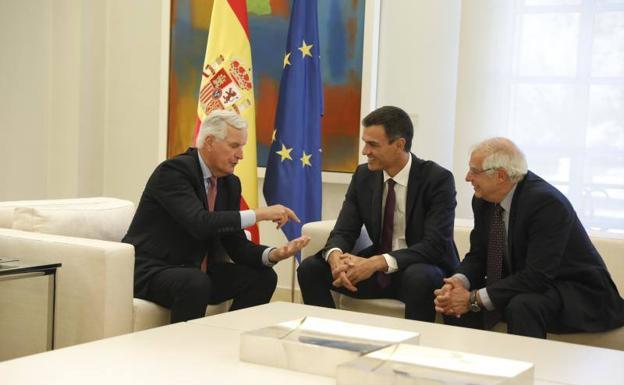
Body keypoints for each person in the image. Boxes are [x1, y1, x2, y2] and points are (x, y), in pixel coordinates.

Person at [123, 109, 309, 323]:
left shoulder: (230, 183)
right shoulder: (174, 172)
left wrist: (273, 254)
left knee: (262, 277)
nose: (241, 155)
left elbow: (236, 245)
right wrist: (259, 214)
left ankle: (229, 339)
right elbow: (199, 223)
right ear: (210, 142)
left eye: (242, 147)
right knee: (195, 282)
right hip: (153, 269)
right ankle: (180, 352)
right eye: (234, 146)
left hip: (195, 271)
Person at [434, 137, 624, 338]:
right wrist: (457, 283)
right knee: (452, 303)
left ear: (500, 176)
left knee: (522, 305)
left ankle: (527, 368)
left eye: (474, 171)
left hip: (575, 291)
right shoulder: (484, 199)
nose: (467, 177)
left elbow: (537, 275)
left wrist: (474, 299)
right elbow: (479, 256)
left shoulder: (546, 203)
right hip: (529, 284)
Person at [297, 106, 459, 321]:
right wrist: (335, 256)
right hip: (376, 271)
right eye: (365, 142)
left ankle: (413, 351)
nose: (365, 151)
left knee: (419, 277)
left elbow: (434, 245)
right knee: (311, 268)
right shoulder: (364, 175)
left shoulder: (437, 179)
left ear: (399, 145)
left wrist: (375, 263)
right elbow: (344, 230)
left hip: (420, 269)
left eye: (372, 144)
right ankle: (326, 337)